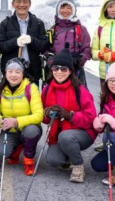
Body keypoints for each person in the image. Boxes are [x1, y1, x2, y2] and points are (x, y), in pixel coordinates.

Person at [42, 46, 97, 183]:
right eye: (56, 68)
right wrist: (47, 113)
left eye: (64, 69)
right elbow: (43, 116)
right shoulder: (47, 89)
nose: (59, 72)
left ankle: (78, 166)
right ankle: (67, 155)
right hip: (61, 135)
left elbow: (91, 119)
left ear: (70, 71)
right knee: (53, 160)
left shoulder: (80, 90)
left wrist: (69, 116)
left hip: (83, 133)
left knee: (65, 136)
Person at [0, 58, 43, 176]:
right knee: (0, 153)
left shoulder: (31, 88)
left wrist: (17, 121)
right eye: (10, 71)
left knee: (30, 130)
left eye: (17, 72)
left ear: (23, 73)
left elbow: (39, 115)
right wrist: (0, 120)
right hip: (10, 131)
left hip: (28, 128)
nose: (13, 75)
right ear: (5, 73)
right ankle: (18, 146)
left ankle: (28, 160)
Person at [0, 0, 48, 85]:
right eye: (18, 1)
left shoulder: (38, 23)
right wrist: (15, 42)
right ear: (13, 4)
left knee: (32, 98)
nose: (21, 4)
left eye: (25, 1)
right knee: (11, 99)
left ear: (30, 4)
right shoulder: (5, 24)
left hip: (32, 71)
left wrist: (32, 40)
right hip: (11, 72)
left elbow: (44, 46)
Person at [45, 0, 91, 87]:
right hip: (56, 72)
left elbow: (87, 50)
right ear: (58, 10)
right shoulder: (52, 29)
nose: (65, 11)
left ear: (73, 10)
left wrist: (80, 61)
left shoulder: (81, 29)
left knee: (77, 97)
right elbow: (47, 48)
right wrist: (50, 60)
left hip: (75, 71)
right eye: (62, 7)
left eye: (69, 8)